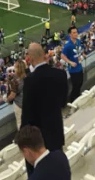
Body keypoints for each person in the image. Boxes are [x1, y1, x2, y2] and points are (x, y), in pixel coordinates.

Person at [22, 43, 69, 173]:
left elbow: (26, 116)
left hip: (38, 140)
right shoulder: (61, 74)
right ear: (44, 56)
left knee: (39, 175)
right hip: (56, 133)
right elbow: (63, 103)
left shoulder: (30, 81)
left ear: (30, 59)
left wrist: (23, 140)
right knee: (57, 171)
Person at [62, 26, 84, 102]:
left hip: (80, 66)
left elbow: (80, 50)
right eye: (74, 32)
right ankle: (72, 100)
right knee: (76, 86)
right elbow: (62, 55)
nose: (76, 34)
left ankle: (78, 97)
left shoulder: (78, 41)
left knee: (80, 83)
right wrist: (70, 62)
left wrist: (82, 54)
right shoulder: (68, 45)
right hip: (73, 70)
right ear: (70, 34)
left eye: (76, 32)